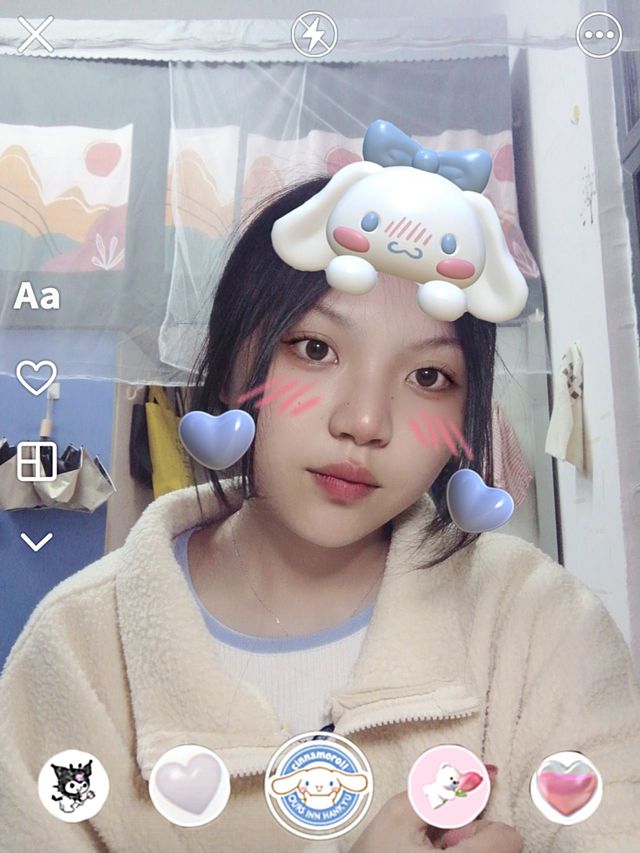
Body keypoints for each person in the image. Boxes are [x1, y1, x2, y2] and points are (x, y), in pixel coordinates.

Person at [1, 176, 639, 853]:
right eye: (315, 348)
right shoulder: (77, 652)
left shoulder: (541, 626)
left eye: (428, 376)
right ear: (231, 365)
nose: (364, 421)